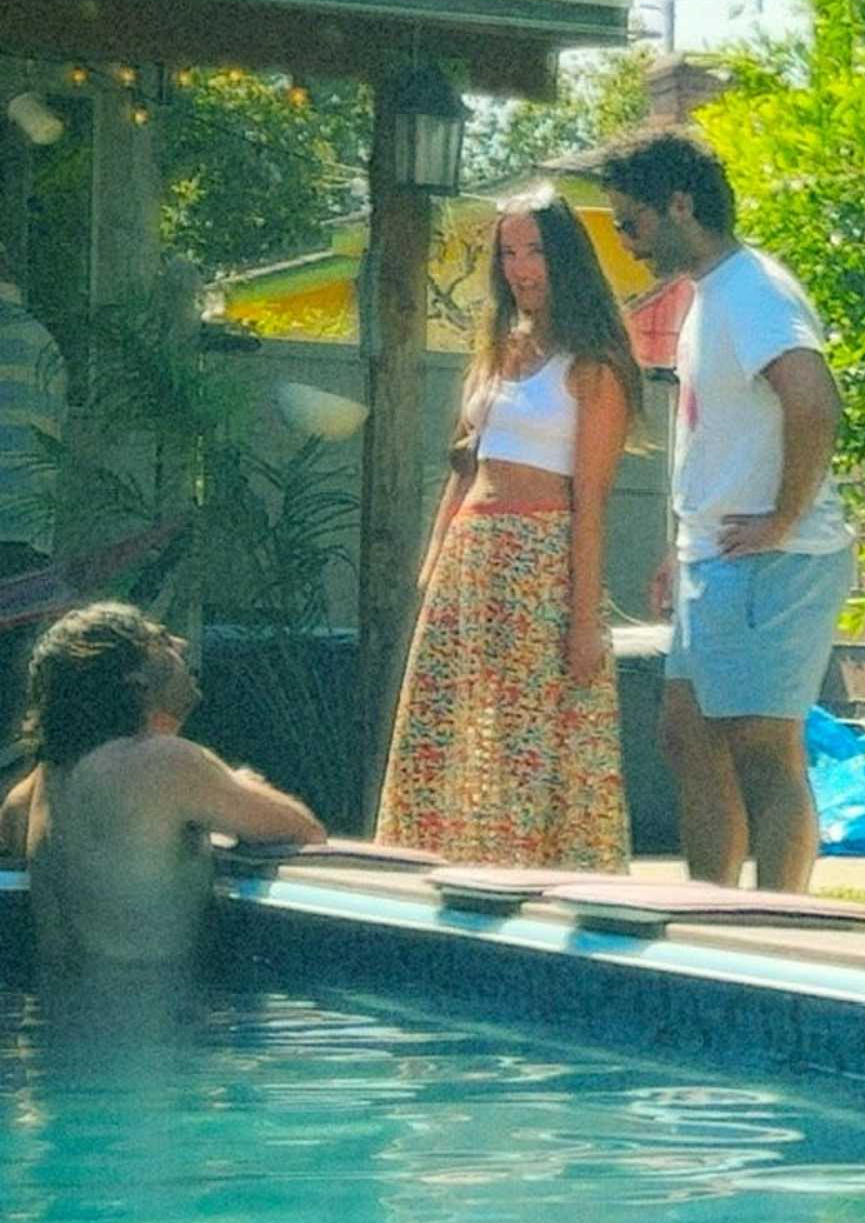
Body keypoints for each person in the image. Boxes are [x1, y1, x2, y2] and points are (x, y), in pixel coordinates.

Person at [587, 125, 851, 893]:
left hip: (776, 560)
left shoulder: (754, 291)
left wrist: (782, 517)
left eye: (630, 222)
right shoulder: (709, 297)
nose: (626, 240)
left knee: (764, 748)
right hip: (718, 556)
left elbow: (815, 403)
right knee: (686, 735)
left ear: (679, 205)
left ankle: (776, 930)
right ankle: (711, 918)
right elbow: (722, 435)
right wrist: (685, 541)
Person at [373, 190, 640, 868]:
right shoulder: (497, 346)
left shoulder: (595, 363)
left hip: (541, 559)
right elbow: (465, 462)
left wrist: (584, 623)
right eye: (509, 253)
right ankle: (434, 872)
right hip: (472, 555)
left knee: (527, 737)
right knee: (447, 727)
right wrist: (434, 565)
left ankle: (525, 876)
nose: (522, 268)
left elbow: (592, 502)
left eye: (536, 251)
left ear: (566, 258)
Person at [11, 601, 327, 973]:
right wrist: (236, 784)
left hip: (59, 1020)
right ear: (135, 681)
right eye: (160, 640)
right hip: (153, 1022)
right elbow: (304, 830)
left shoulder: (32, 793)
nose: (181, 644)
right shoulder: (164, 762)